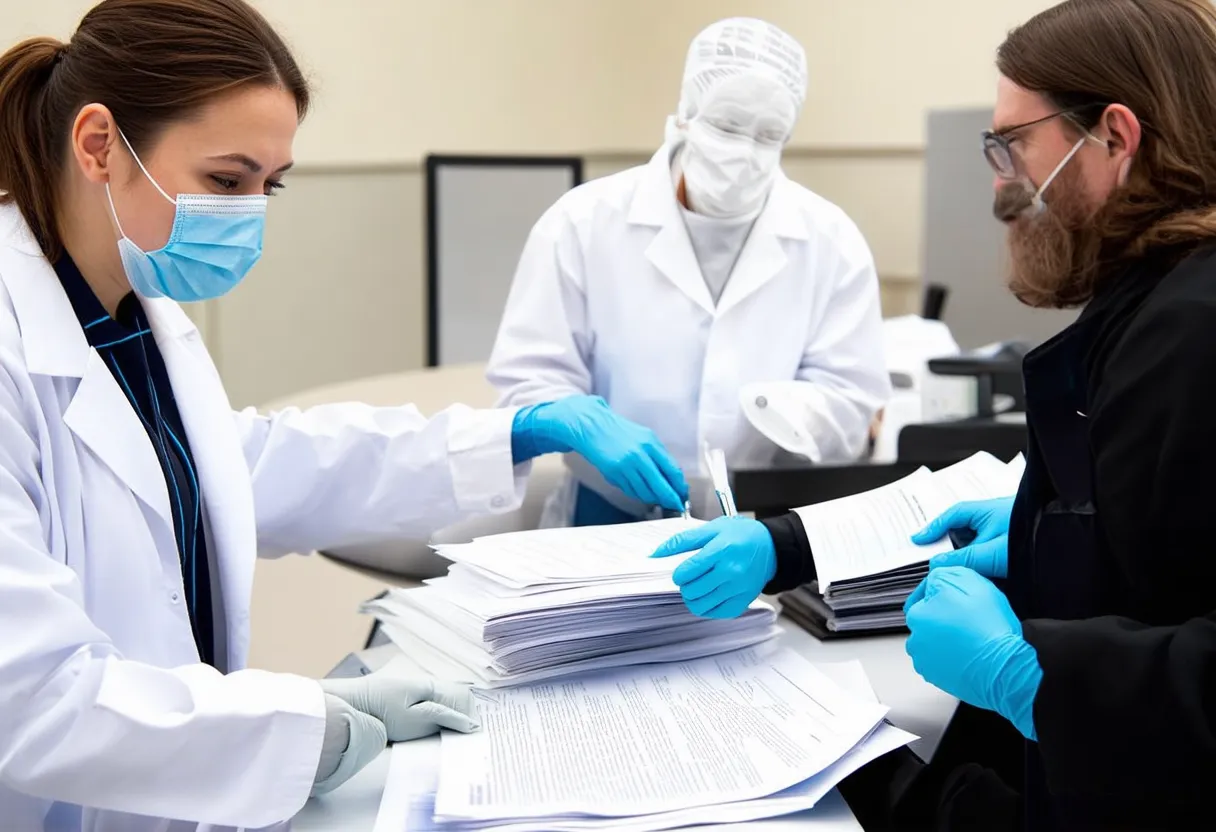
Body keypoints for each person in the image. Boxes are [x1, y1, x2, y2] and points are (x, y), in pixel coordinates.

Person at [0, 1, 689, 828]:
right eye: (226, 179)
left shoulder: (131, 310)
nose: (250, 213)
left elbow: (229, 465)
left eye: (270, 186)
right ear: (99, 145)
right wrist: (303, 723)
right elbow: (32, 700)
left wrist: (510, 432)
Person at [654, 0, 1216, 827]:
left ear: (1115, 138)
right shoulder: (1149, 313)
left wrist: (1029, 678)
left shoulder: (1193, 333)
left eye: (1011, 143)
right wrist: (791, 544)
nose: (999, 180)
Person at [486, 17, 890, 528]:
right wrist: (586, 429)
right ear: (684, 116)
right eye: (726, 125)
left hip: (757, 523)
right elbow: (528, 375)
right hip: (605, 513)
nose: (744, 153)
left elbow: (854, 399)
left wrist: (776, 410)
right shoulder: (582, 222)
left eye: (769, 135)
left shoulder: (832, 240)